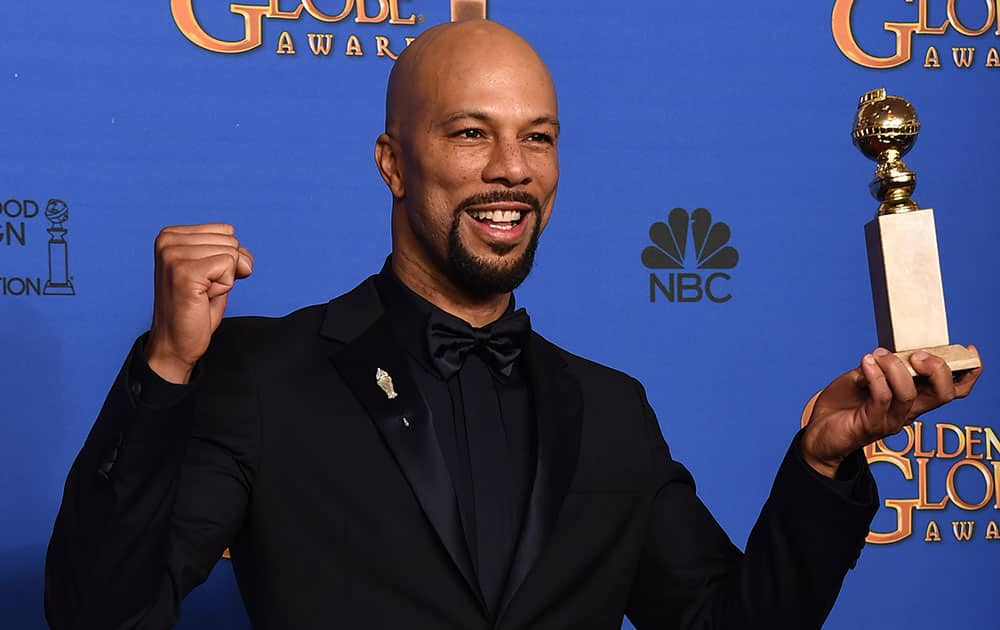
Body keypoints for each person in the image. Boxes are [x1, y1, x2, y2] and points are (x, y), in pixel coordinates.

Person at [45, 19, 981, 630]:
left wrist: (820, 462)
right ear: (392, 162)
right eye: (469, 132)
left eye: (537, 136)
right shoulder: (268, 371)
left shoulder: (613, 410)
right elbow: (98, 615)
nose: (511, 168)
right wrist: (167, 367)